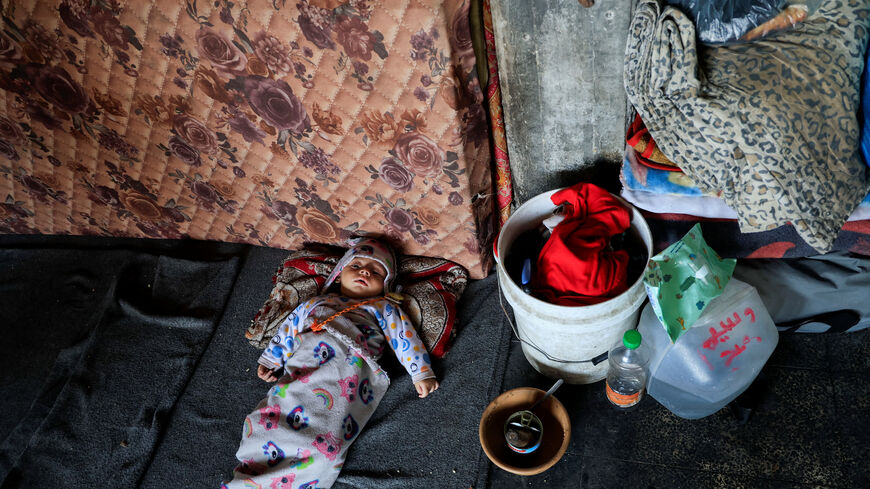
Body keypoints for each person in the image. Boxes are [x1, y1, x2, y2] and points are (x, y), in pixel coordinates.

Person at [223, 236, 439, 489]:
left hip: (346, 372)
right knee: (264, 420)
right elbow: (289, 329)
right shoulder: (316, 303)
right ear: (339, 273)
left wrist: (421, 372)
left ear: (386, 285)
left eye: (376, 271)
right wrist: (273, 358)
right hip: (304, 368)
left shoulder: (383, 308)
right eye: (356, 266)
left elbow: (405, 339)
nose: (364, 272)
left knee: (325, 446)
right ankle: (251, 476)